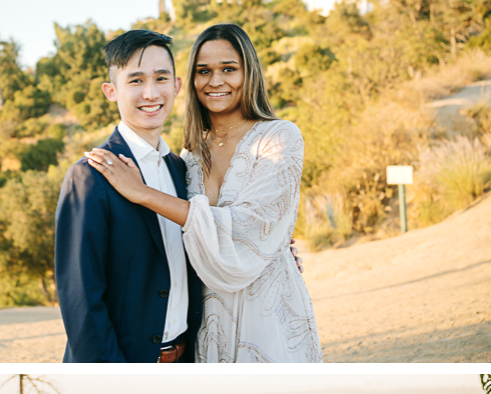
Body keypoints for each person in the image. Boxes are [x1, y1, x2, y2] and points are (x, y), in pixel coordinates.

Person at [86, 22, 321, 364]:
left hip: (268, 308)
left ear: (249, 72)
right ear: (190, 81)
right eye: (203, 71)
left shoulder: (280, 137)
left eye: (229, 69)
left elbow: (250, 228)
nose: (215, 81)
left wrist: (142, 193)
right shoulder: (190, 156)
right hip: (208, 316)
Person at [55, 29, 203, 362]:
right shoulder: (89, 176)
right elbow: (80, 298)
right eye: (135, 81)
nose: (151, 93)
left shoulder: (183, 169)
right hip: (123, 365)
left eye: (161, 78)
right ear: (111, 91)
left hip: (186, 362)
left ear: (177, 86)